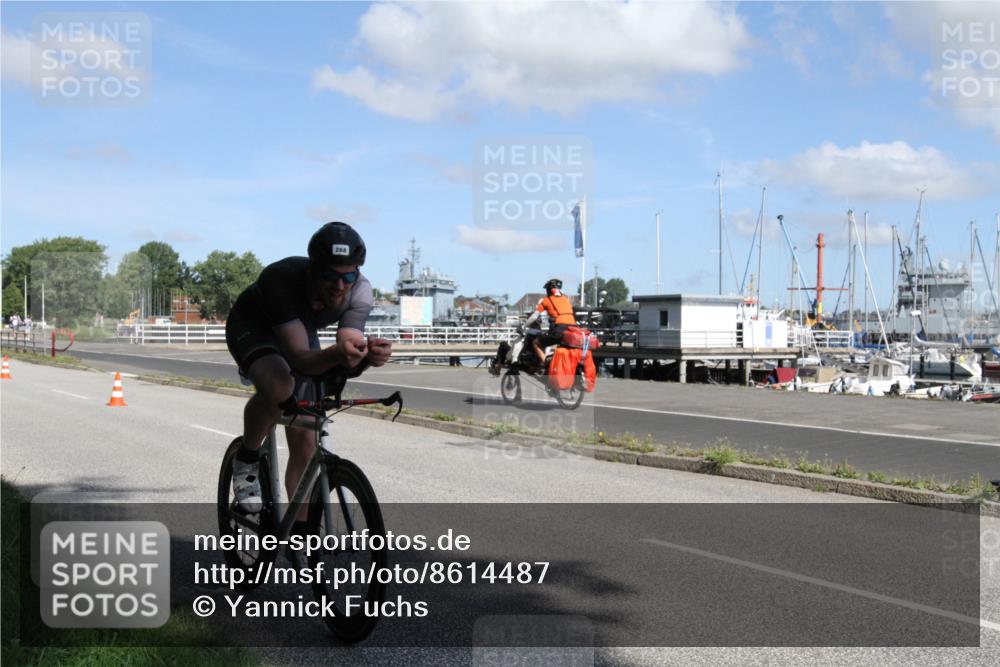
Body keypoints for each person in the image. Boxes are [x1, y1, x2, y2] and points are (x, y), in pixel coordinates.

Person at [224, 221, 392, 520]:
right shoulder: (281, 279)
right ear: (313, 268)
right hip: (254, 326)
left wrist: (367, 356)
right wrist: (338, 356)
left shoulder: (361, 292)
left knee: (305, 430)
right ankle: (247, 460)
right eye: (330, 275)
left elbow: (347, 348)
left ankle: (299, 541)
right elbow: (301, 358)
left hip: (299, 330)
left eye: (348, 276)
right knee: (279, 386)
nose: (340, 286)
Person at [526, 279, 577, 366]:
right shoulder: (566, 299)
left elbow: (534, 316)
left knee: (536, 342)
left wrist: (525, 325)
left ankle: (545, 363)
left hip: (559, 329)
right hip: (573, 329)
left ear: (548, 290)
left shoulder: (546, 300)